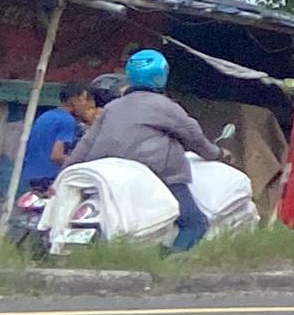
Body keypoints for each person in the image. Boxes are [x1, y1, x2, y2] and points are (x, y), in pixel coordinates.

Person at [70, 50, 225, 252]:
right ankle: (170, 263)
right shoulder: (167, 107)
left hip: (106, 174)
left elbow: (86, 145)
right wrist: (218, 154)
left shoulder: (112, 107)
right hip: (156, 174)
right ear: (161, 76)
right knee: (195, 223)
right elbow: (196, 140)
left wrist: (66, 173)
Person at [16, 81, 89, 196]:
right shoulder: (67, 121)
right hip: (49, 178)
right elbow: (57, 156)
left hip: (31, 176)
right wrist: (79, 167)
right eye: (83, 99)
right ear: (74, 100)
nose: (85, 104)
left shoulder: (46, 116)